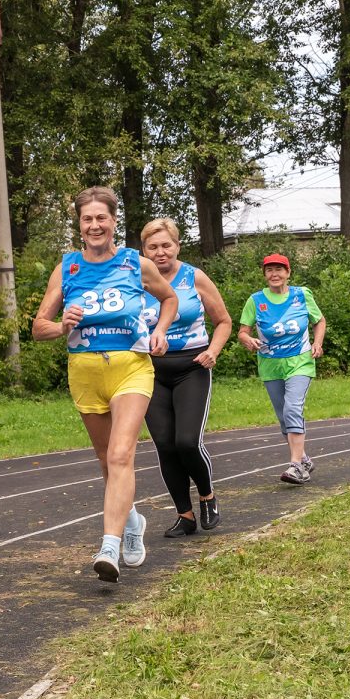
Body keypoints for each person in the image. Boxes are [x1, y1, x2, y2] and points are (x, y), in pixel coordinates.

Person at [32, 186, 177, 583]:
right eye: (87, 219)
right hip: (84, 371)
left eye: (102, 218)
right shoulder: (67, 269)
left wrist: (161, 331)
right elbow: (38, 328)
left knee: (120, 455)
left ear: (114, 221)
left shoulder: (135, 263)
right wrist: (60, 325)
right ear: (79, 225)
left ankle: (108, 545)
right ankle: (132, 521)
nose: (95, 225)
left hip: (131, 367)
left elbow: (169, 299)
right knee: (104, 459)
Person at [139, 219, 232, 537]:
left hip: (192, 366)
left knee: (187, 442)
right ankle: (185, 515)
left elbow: (223, 321)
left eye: (166, 245)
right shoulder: (135, 283)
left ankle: (207, 496)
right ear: (144, 251)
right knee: (165, 445)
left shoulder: (194, 277)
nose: (160, 252)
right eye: (153, 247)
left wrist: (214, 351)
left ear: (177, 246)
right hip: (150, 372)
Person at [237, 253, 327, 484]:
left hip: (300, 361)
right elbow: (243, 331)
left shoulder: (301, 295)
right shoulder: (256, 300)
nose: (274, 274)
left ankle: (296, 466)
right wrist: (247, 340)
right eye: (269, 270)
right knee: (283, 417)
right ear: (264, 274)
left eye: (279, 269)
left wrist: (317, 343)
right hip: (270, 365)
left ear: (288, 273)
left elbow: (319, 321)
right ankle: (304, 459)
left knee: (292, 409)